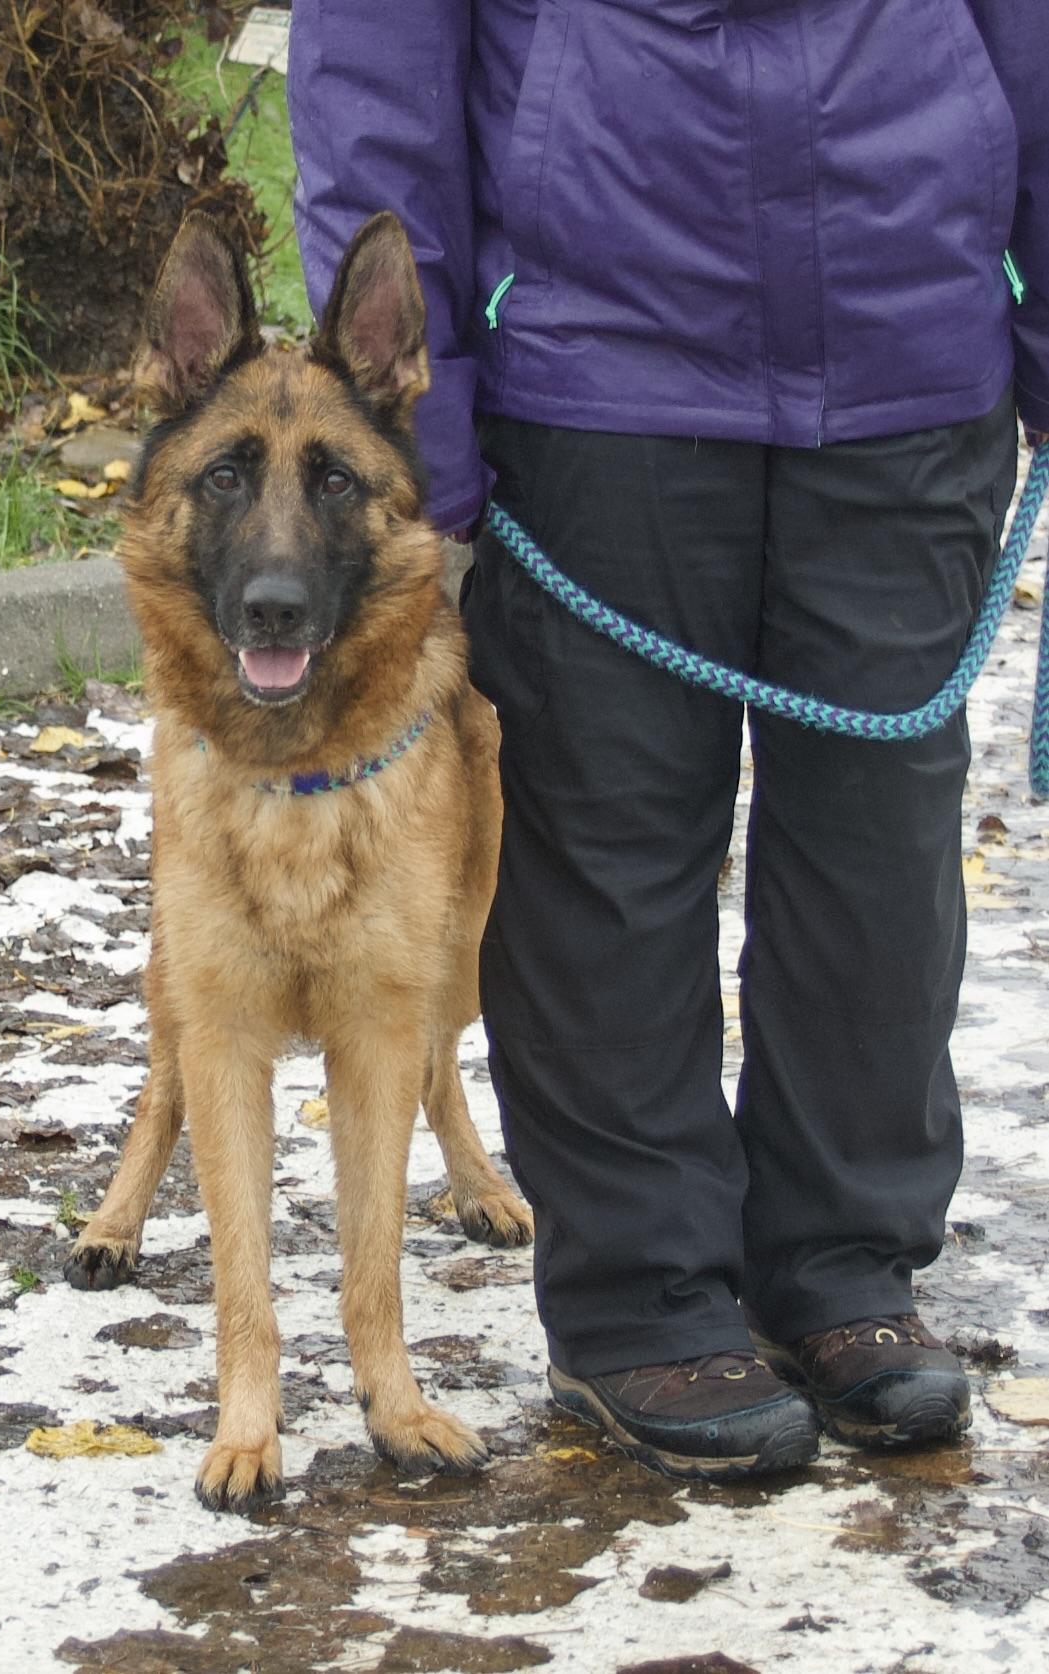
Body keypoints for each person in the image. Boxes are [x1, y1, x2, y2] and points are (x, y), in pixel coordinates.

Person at [287, 0, 1049, 1480]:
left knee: (880, 846)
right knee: (607, 849)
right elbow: (374, 70)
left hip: (909, 351)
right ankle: (636, 1296)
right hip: (597, 364)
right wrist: (415, 415)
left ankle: (840, 1263)